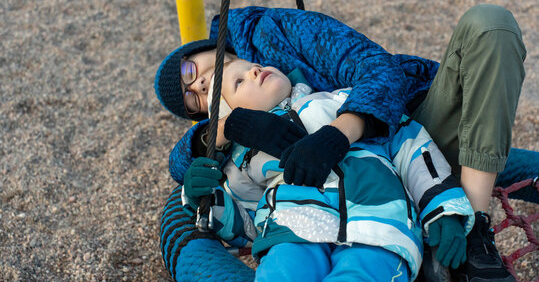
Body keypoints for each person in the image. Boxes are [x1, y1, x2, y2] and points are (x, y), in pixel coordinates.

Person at [155, 4, 525, 281]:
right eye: (194, 98)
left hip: (387, 175)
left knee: (490, 24)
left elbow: (383, 78)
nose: (198, 84)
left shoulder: (273, 36)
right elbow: (242, 205)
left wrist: (339, 130)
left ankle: (470, 231)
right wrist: (212, 186)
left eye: (189, 71)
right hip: (299, 231)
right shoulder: (242, 143)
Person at [182, 58, 475, 281]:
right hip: (292, 231)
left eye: (254, 65)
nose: (254, 71)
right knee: (283, 273)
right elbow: (244, 222)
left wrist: (443, 211)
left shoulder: (343, 101)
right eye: (239, 82)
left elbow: (413, 149)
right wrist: (205, 197)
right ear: (233, 113)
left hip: (380, 227)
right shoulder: (243, 156)